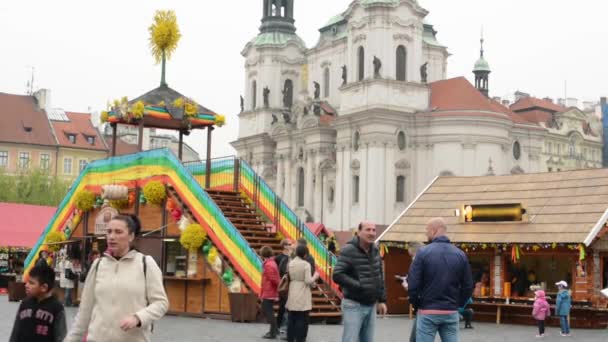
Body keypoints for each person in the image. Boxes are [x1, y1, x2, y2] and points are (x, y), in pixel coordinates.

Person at [64, 214, 169, 342]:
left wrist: (138, 318)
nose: (112, 237)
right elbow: (84, 311)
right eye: (109, 232)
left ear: (131, 236)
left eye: (118, 232)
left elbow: (161, 303)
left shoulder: (145, 264)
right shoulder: (98, 265)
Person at [407, 218, 473, 342]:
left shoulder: (422, 253)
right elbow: (468, 286)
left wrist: (417, 305)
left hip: (427, 310)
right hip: (450, 311)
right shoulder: (460, 254)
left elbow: (413, 285)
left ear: (434, 230)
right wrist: (458, 305)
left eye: (427, 230)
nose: (426, 234)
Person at [333, 220, 387, 342]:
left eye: (374, 230)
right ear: (359, 232)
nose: (372, 233)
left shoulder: (375, 249)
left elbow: (379, 275)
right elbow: (337, 275)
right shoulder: (349, 250)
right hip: (353, 304)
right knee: (350, 340)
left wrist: (382, 300)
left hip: (371, 304)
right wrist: (359, 285)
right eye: (368, 229)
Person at [9, 264, 67, 342]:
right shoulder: (25, 304)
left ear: (44, 287)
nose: (26, 285)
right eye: (27, 282)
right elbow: (15, 332)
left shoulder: (57, 308)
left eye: (31, 283)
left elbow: (61, 336)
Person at [286, 244, 319, 342]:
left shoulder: (290, 263)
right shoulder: (306, 264)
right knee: (302, 318)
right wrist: (315, 276)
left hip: (292, 289)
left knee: (291, 317)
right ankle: (300, 339)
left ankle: (290, 338)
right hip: (302, 291)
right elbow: (308, 280)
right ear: (305, 254)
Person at [260, 245, 280, 339]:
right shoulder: (272, 263)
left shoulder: (268, 265)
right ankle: (274, 330)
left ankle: (273, 332)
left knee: (268, 311)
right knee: (269, 311)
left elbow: (274, 279)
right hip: (270, 290)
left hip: (269, 291)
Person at [275, 239, 294, 339]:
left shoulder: (292, 258)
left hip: (290, 286)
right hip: (283, 285)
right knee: (282, 307)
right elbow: (278, 271)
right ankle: (278, 326)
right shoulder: (279, 258)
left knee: (285, 307)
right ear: (285, 246)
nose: (291, 245)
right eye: (290, 244)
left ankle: (283, 327)